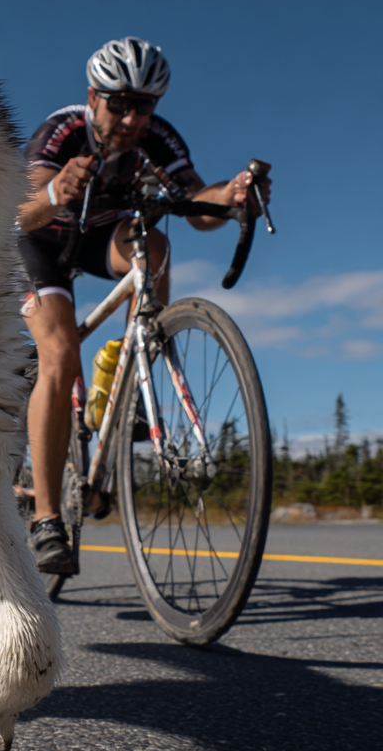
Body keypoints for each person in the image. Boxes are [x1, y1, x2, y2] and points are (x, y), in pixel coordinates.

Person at [15, 37, 271, 574]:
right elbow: (20, 212)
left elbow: (198, 206)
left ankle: (132, 376)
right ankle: (46, 518)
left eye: (144, 106)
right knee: (60, 355)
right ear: (93, 96)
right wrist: (57, 191)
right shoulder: (61, 132)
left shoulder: (157, 138)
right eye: (119, 104)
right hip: (40, 244)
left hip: (100, 237)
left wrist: (233, 195)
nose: (132, 119)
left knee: (154, 245)